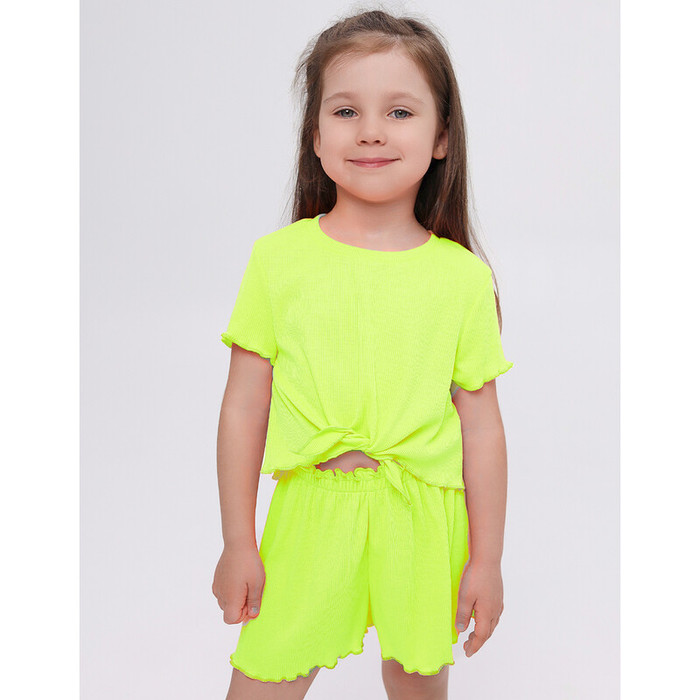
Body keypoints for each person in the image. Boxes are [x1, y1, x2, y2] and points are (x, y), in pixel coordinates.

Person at [212, 9, 514, 700]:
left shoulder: (461, 277)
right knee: (262, 680)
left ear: (442, 137)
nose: (371, 130)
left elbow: (483, 428)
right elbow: (243, 406)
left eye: (399, 112)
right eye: (346, 110)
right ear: (315, 136)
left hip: (423, 519)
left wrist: (487, 560)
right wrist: (237, 541)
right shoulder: (278, 261)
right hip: (312, 513)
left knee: (416, 682)